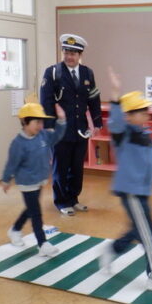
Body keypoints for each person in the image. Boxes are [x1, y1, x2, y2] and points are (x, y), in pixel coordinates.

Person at [100, 68, 152, 291]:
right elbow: (115, 122)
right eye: (141, 111)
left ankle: (111, 250)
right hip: (131, 192)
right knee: (149, 235)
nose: (147, 113)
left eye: (146, 109)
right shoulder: (123, 134)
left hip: (143, 192)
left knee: (138, 230)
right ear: (129, 115)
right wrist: (115, 94)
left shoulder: (147, 137)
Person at [40, 34, 102, 216]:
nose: (69, 56)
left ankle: (73, 199)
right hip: (59, 130)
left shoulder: (87, 73)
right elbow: (46, 101)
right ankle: (61, 201)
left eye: (73, 53)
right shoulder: (53, 72)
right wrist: (49, 126)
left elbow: (94, 99)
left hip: (80, 130)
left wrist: (97, 122)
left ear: (80, 55)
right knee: (60, 167)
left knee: (76, 167)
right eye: (66, 52)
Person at [2, 103, 67, 256]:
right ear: (25, 122)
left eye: (41, 122)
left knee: (31, 208)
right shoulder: (18, 143)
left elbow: (57, 136)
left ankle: (15, 229)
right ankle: (42, 243)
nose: (40, 125)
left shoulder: (43, 135)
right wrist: (6, 179)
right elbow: (12, 163)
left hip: (40, 180)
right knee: (36, 213)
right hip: (27, 182)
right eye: (36, 122)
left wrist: (62, 120)